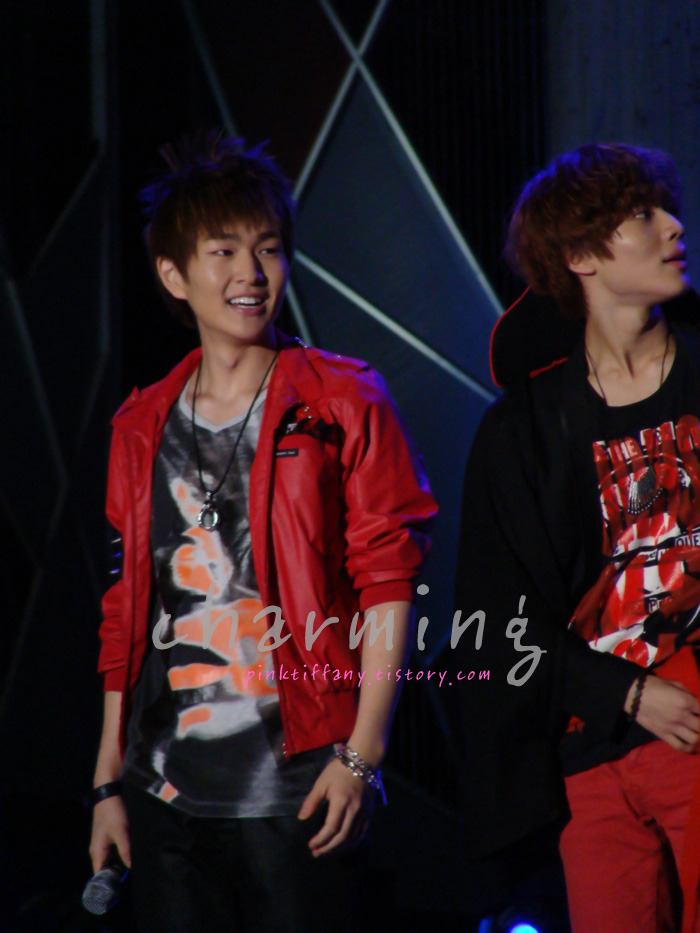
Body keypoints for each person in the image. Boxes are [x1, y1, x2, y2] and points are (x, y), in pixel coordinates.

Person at [89, 132, 436, 932]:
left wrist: (362, 754)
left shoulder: (345, 399)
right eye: (224, 251)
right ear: (174, 274)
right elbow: (125, 611)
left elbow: (390, 579)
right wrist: (107, 781)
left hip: (300, 789)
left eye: (268, 248)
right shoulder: (140, 424)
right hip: (163, 792)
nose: (251, 272)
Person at [453, 143, 700, 932]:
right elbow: (494, 621)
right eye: (642, 215)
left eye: (666, 208)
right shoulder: (522, 430)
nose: (674, 226)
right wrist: (624, 691)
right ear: (581, 256)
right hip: (591, 753)